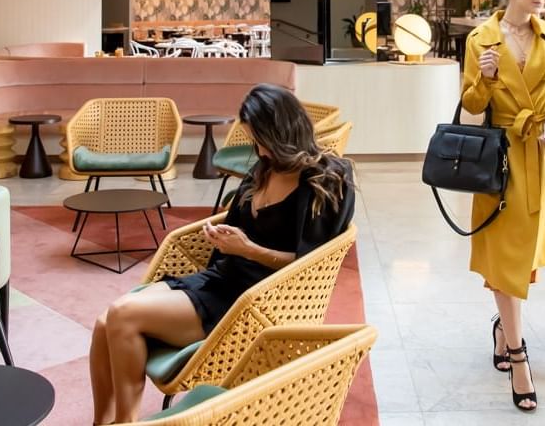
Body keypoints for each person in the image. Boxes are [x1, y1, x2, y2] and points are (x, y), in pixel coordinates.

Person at [88, 83, 355, 425]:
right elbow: (239, 232)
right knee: (102, 323)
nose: (257, 149)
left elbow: (312, 266)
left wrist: (250, 250)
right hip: (223, 279)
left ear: (281, 132)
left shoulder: (326, 181)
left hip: (255, 300)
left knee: (122, 314)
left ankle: (126, 422)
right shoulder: (264, 169)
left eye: (260, 139)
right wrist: (225, 238)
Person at [461, 0, 545, 411]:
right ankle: (519, 354)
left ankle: (501, 328)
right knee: (505, 257)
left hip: (540, 157)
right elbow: (470, 103)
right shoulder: (480, 40)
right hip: (500, 161)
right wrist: (485, 77)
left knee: (524, 258)